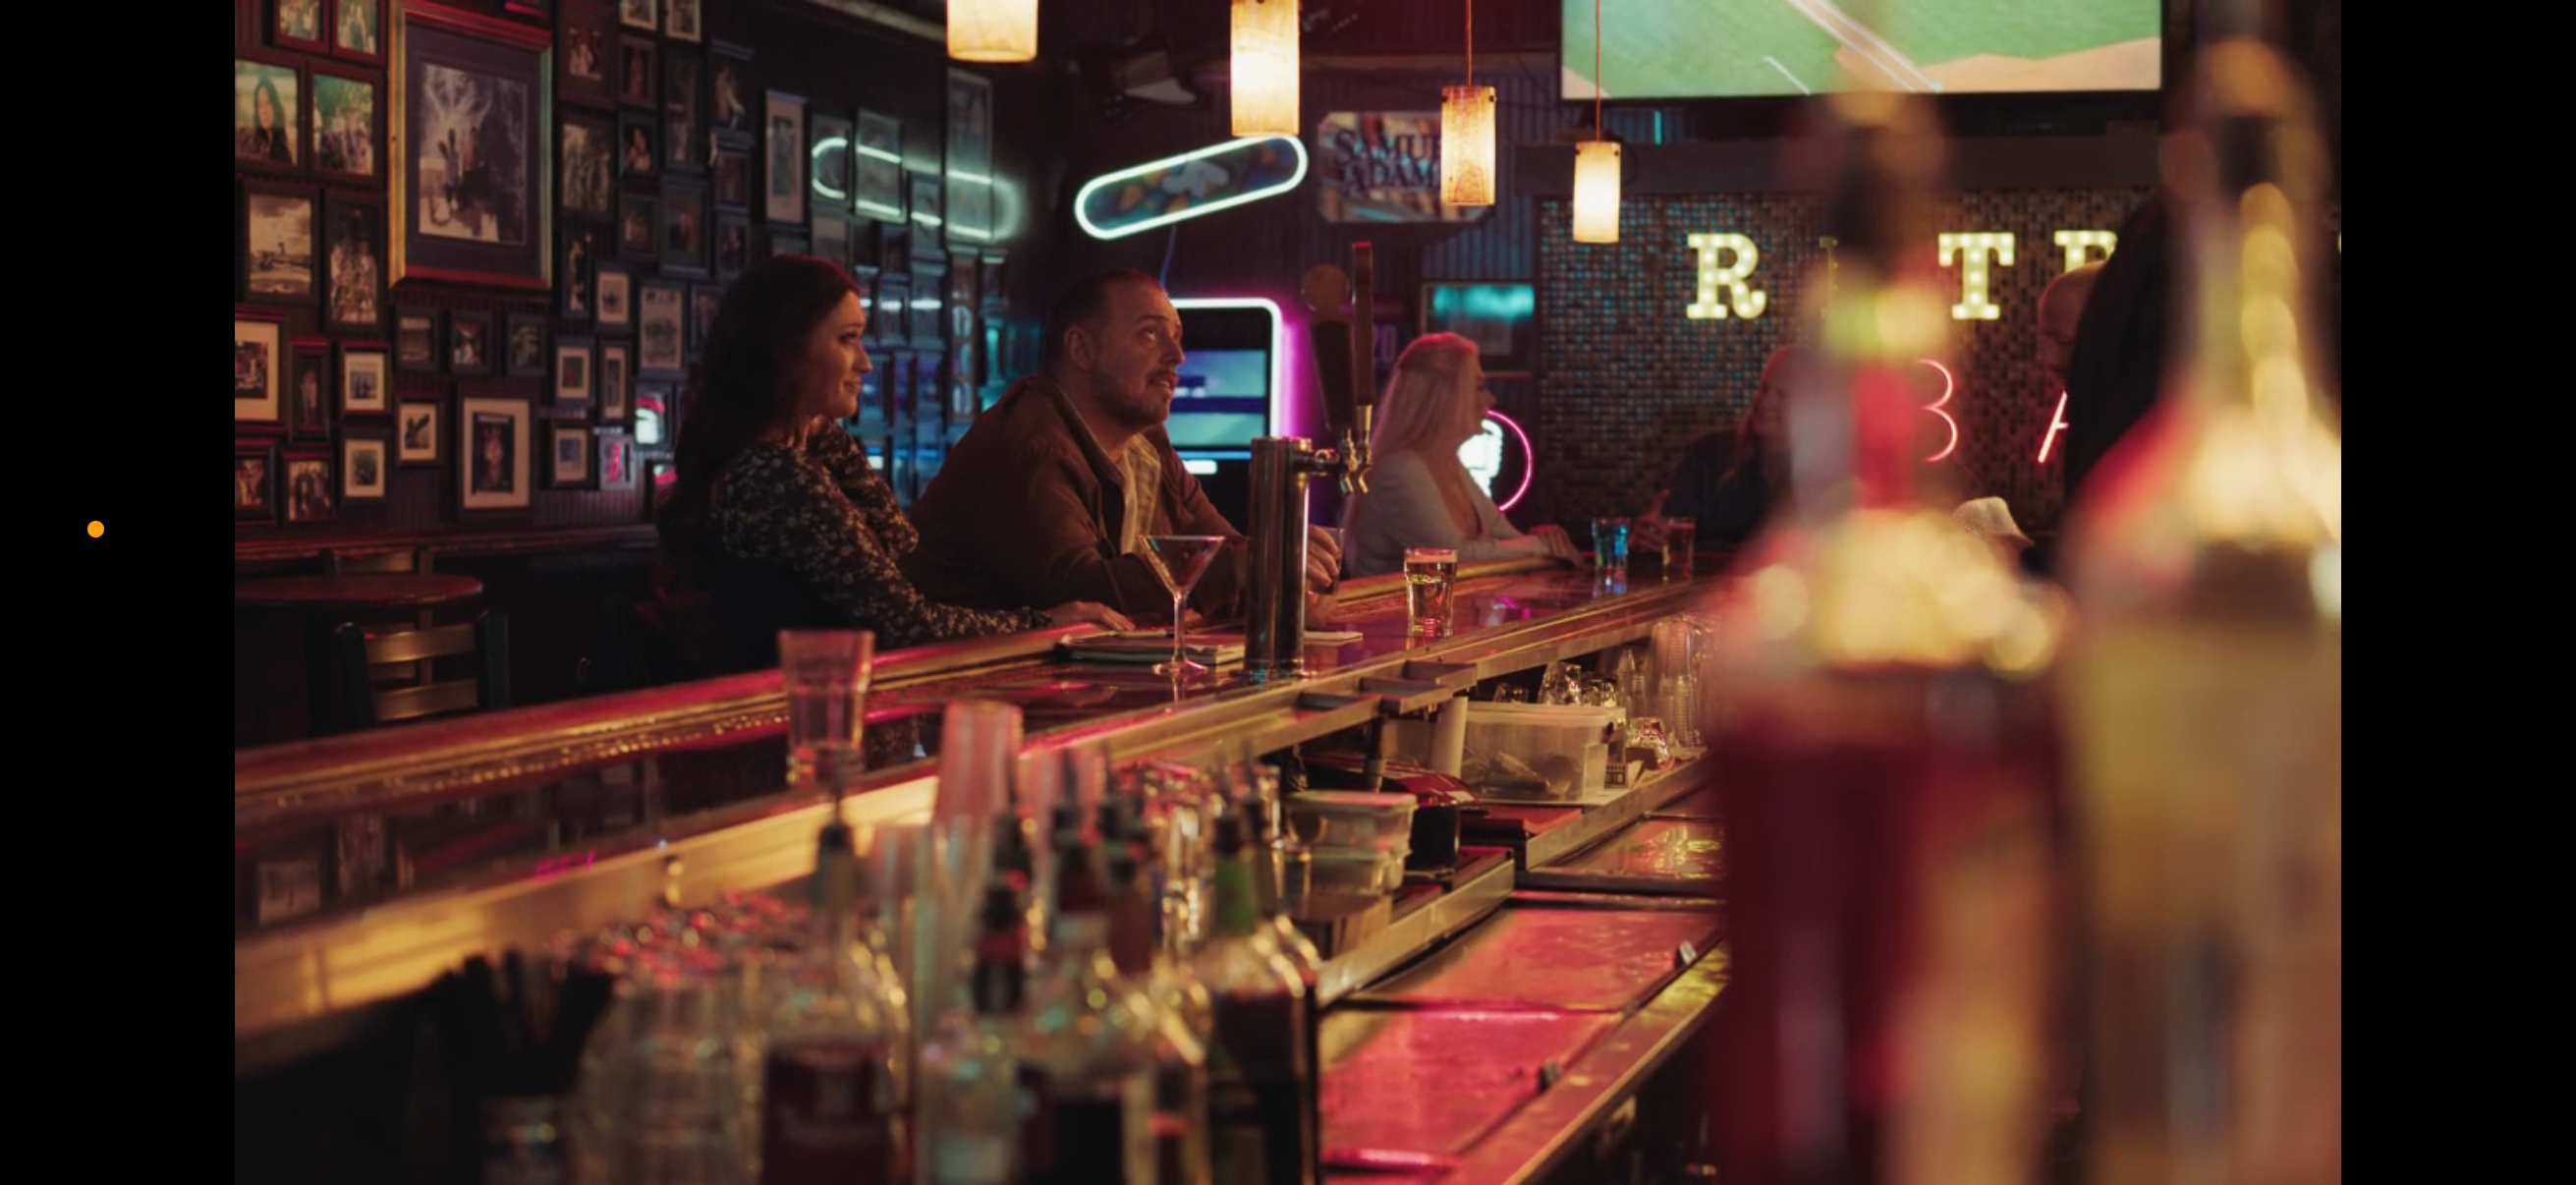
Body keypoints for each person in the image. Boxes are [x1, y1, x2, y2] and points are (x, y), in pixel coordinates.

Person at [656, 255, 1132, 674]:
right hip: (809, 724)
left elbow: (902, 544)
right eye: (848, 340)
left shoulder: (775, 460)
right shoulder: (777, 475)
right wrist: (1043, 622)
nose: (865, 362)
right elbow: (909, 626)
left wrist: (820, 429)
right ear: (786, 351)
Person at [904, 269, 1341, 619]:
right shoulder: (1031, 448)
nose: (1177, 356)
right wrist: (1245, 566)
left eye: (1176, 336)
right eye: (1150, 334)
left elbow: (1224, 551)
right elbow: (1079, 590)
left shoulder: (1145, 443)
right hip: (958, 690)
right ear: (1082, 350)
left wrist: (1285, 582)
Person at [1339, 333, 1578, 577]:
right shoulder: (1399, 470)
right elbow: (1456, 557)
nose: (1491, 400)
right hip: (1397, 603)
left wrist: (1546, 542)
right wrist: (1542, 547)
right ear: (1443, 396)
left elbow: (1507, 539)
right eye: (1479, 387)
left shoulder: (1450, 464)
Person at [1637, 345, 1811, 551]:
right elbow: (1664, 537)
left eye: (1782, 395)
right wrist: (1647, 539)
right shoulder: (1704, 458)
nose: (1765, 402)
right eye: (1763, 389)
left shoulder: (1826, 473)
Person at [241, 75, 293, 164]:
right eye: (260, 105)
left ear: (275, 107)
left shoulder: (283, 154)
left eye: (267, 103)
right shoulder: (251, 146)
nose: (264, 111)